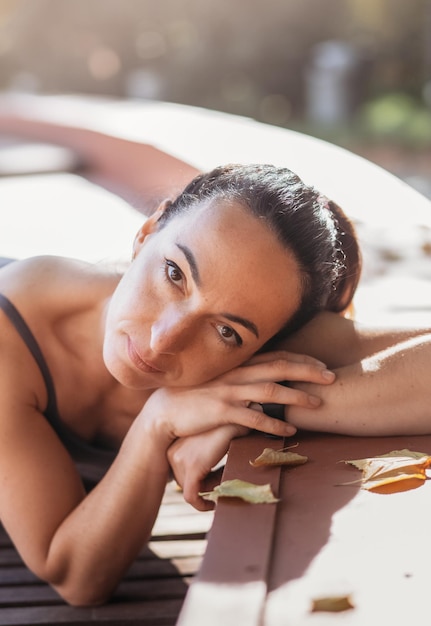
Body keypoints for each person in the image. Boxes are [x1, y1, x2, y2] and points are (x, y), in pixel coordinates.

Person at [0, 97, 430, 606]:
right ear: (146, 233)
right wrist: (158, 424)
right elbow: (72, 574)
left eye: (226, 332)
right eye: (175, 274)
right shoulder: (14, 338)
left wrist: (264, 400)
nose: (164, 338)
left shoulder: (255, 312)